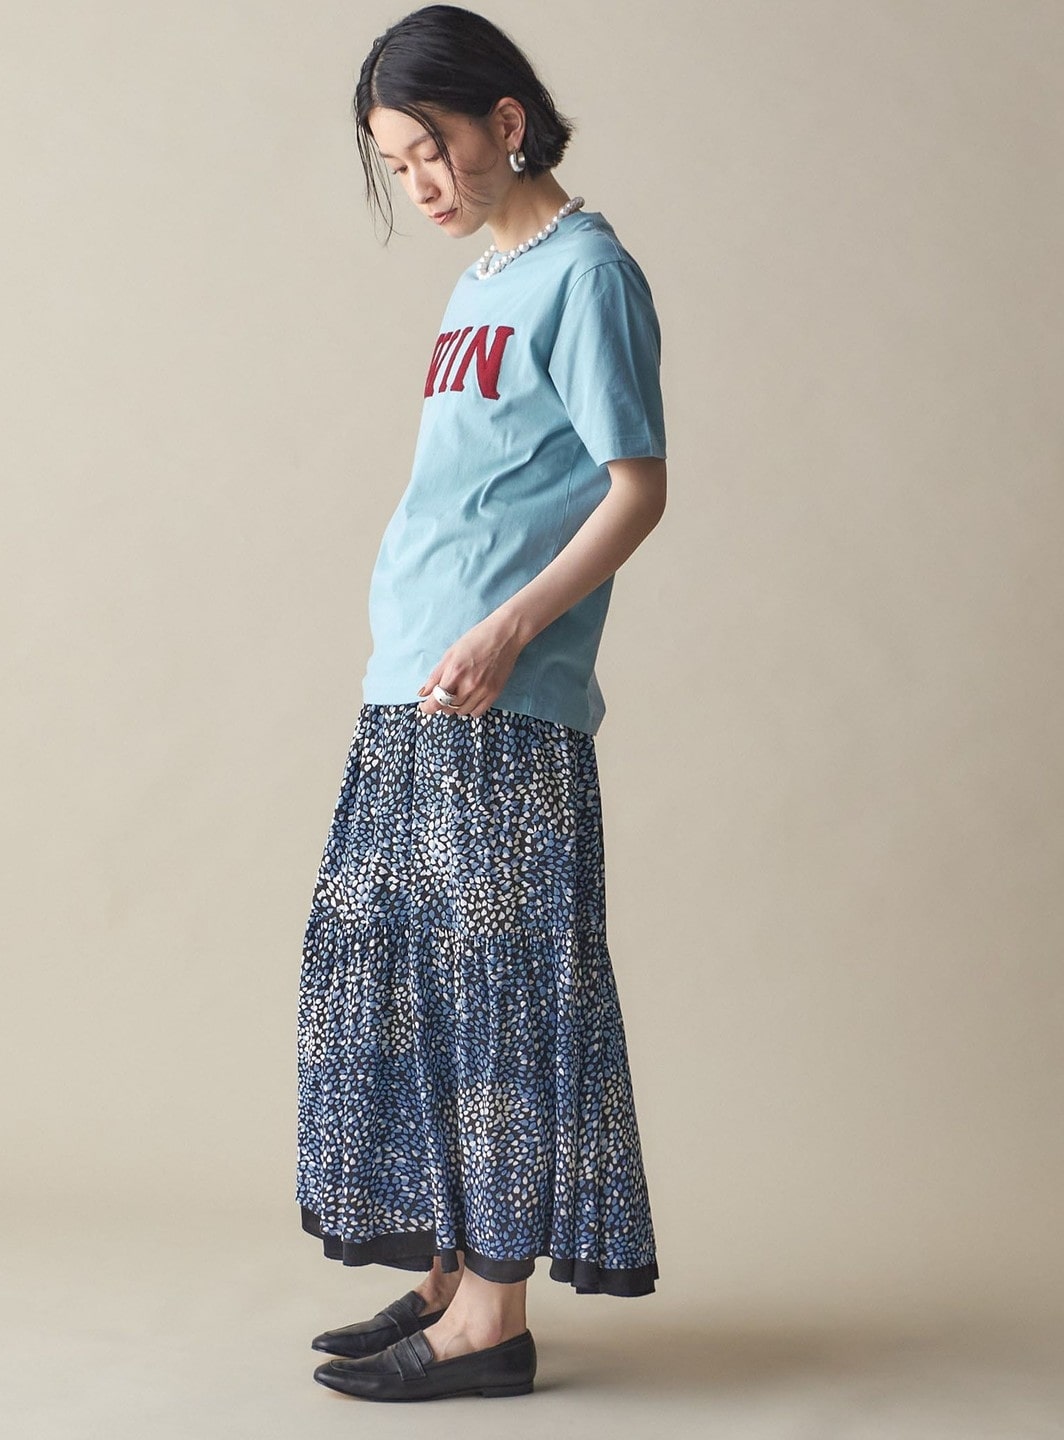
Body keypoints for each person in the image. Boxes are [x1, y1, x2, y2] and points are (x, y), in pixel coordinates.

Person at [295, 3, 668, 1402]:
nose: (421, 183)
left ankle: (492, 1325)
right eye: (396, 165)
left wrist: (512, 627)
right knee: (406, 984)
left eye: (432, 149)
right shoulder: (481, 285)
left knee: (498, 992)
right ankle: (454, 1273)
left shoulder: (588, 275)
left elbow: (638, 486)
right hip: (415, 690)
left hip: (504, 704)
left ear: (506, 121)